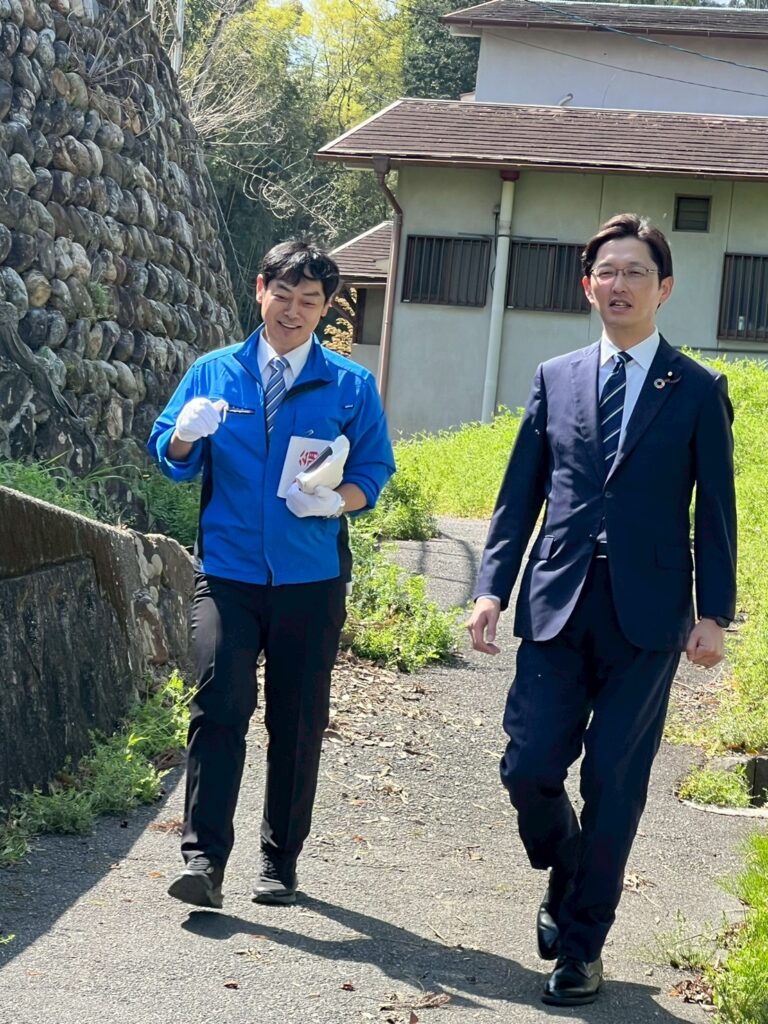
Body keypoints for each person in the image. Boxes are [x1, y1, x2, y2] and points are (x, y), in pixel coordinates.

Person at [467, 213, 736, 1006]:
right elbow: (519, 496)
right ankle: (569, 863)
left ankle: (582, 948)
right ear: (589, 286)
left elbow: (716, 513)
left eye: (635, 273)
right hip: (557, 601)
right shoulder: (555, 377)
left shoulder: (696, 389)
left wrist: (714, 613)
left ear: (664, 288)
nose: (619, 285)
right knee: (529, 766)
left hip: (648, 617)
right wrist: (491, 588)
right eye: (607, 273)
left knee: (615, 781)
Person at [148, 240, 395, 910]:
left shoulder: (350, 385)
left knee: (298, 719)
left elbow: (374, 470)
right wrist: (185, 434)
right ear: (260, 290)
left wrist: (336, 501)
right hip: (227, 573)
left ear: (326, 307)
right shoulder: (213, 372)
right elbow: (168, 454)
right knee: (218, 705)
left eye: (309, 300)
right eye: (282, 294)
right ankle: (203, 862)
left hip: (311, 579)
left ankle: (279, 863)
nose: (293, 310)